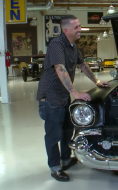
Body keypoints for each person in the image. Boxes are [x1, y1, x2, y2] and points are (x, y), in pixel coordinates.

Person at [36, 14, 110, 182]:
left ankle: (66, 159)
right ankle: (55, 168)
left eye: (80, 26)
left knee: (67, 130)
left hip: (62, 98)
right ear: (65, 29)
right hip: (50, 98)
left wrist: (97, 81)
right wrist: (75, 93)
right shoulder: (56, 44)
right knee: (53, 135)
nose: (80, 29)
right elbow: (59, 68)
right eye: (76, 27)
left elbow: (82, 65)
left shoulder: (73, 47)